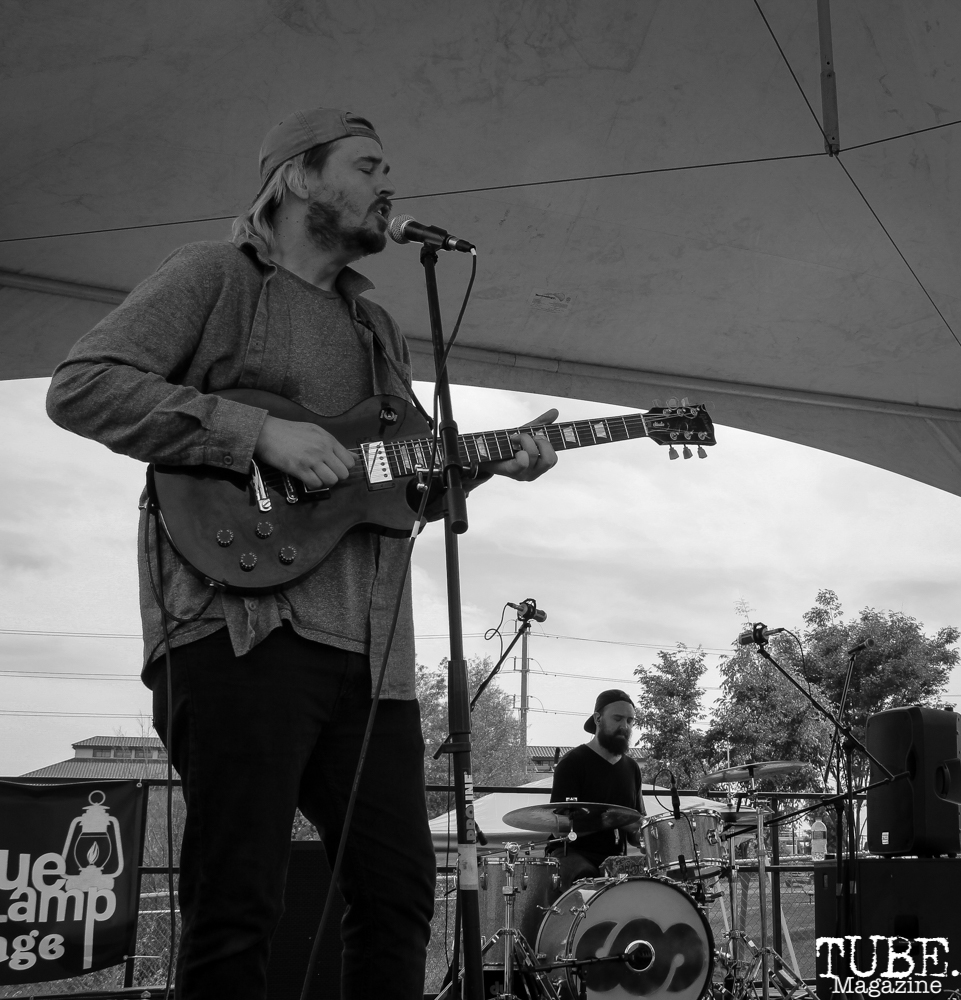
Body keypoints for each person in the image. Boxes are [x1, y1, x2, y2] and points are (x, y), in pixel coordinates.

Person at [45, 107, 558, 1000]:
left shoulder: (379, 329)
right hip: (238, 630)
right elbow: (83, 386)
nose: (387, 184)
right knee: (238, 898)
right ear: (296, 176)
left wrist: (484, 467)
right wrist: (256, 432)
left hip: (372, 661)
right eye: (367, 165)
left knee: (399, 894)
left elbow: (390, 486)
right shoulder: (214, 276)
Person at [549, 689, 645, 889]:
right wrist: (608, 821)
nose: (624, 726)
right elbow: (559, 830)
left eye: (630, 721)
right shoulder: (572, 763)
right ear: (597, 719)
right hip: (572, 853)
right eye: (617, 719)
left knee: (648, 882)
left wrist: (643, 834)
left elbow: (635, 831)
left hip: (615, 858)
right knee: (587, 876)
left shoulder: (632, 768)